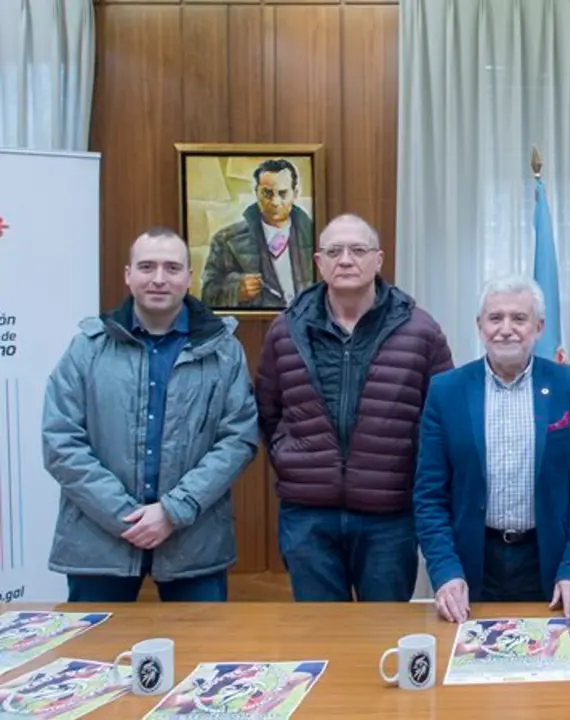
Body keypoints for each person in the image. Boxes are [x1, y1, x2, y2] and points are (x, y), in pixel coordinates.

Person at [42, 227, 258, 601]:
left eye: (172, 268)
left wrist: (172, 512)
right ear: (128, 275)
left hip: (194, 538)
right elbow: (61, 442)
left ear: (189, 277)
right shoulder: (87, 348)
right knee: (94, 657)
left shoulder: (224, 350)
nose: (159, 279)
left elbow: (237, 439)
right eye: (147, 267)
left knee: (200, 653)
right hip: (100, 540)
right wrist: (125, 516)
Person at [256, 213, 454, 602]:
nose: (346, 259)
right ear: (319, 263)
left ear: (378, 260)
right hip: (308, 516)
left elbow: (442, 420)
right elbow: (268, 411)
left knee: (383, 637)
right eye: (334, 251)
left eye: (358, 250)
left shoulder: (420, 330)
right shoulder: (286, 329)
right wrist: (289, 457)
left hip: (389, 516)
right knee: (320, 639)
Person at [415, 275, 570, 622]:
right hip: (472, 563)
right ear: (479, 326)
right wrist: (445, 572)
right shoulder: (446, 391)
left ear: (539, 326)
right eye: (495, 318)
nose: (506, 329)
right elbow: (429, 495)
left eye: (519, 318)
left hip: (548, 562)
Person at [201, 158, 316, 309]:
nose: (275, 202)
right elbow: (207, 296)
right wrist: (236, 291)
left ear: (295, 193)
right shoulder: (227, 240)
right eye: (267, 193)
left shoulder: (317, 237)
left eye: (282, 193)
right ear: (256, 193)